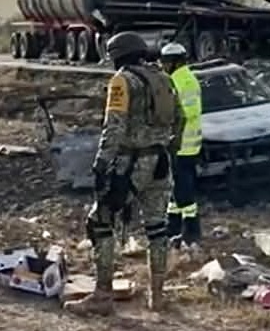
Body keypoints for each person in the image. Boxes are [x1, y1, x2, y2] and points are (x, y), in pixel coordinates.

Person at [64, 32, 183, 316]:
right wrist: (168, 148)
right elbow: (181, 118)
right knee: (157, 229)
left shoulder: (122, 80)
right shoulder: (163, 78)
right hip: (161, 162)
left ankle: (102, 296)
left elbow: (114, 127)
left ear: (117, 55)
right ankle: (157, 297)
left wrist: (101, 164)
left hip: (130, 165)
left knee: (100, 222)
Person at [159, 42, 203, 250]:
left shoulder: (180, 81)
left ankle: (191, 231)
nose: (163, 65)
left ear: (175, 61)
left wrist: (170, 136)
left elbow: (182, 114)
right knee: (176, 188)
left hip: (182, 145)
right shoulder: (186, 78)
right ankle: (173, 227)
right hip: (187, 144)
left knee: (184, 190)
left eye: (165, 62)